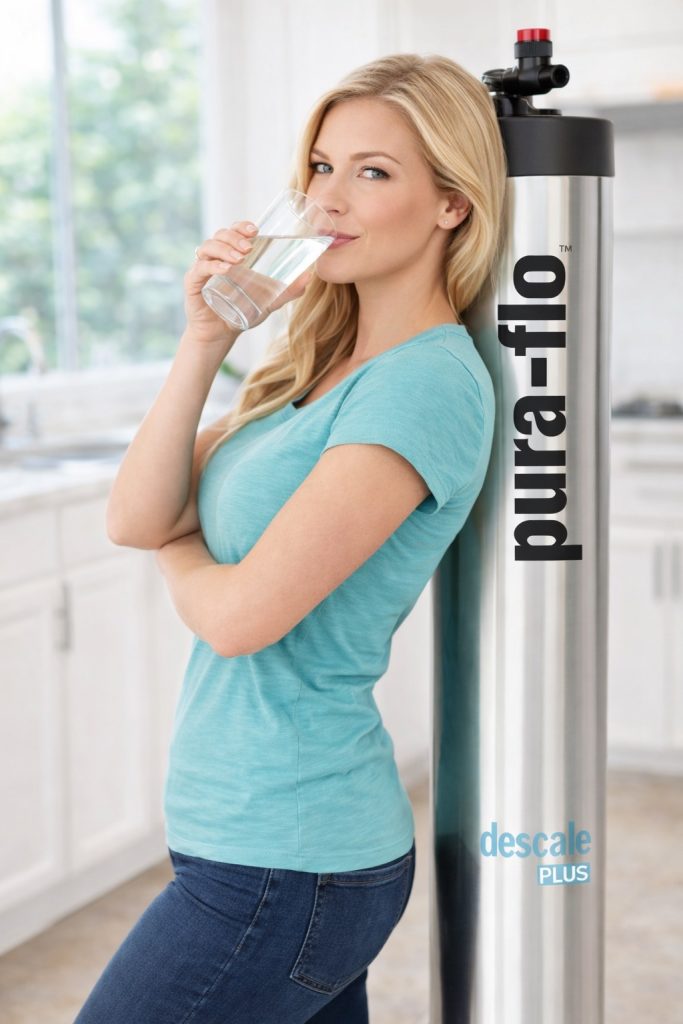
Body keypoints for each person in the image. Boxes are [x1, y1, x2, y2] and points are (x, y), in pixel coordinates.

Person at [76, 51, 507, 1024]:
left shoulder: (423, 383)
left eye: (372, 171)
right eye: (320, 166)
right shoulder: (320, 363)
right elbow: (134, 515)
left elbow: (238, 619)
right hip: (255, 842)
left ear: (451, 203)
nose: (329, 199)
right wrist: (206, 339)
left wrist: (180, 547)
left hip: (286, 856)